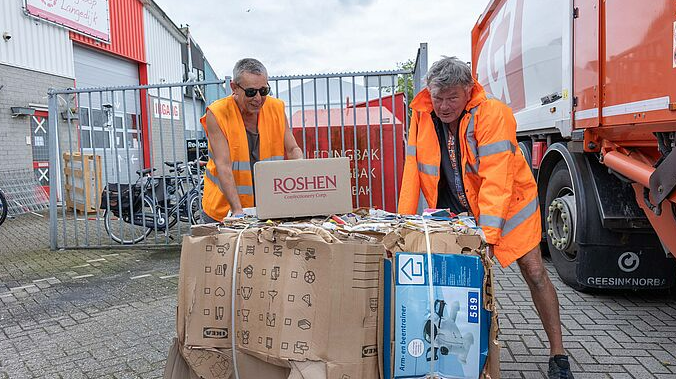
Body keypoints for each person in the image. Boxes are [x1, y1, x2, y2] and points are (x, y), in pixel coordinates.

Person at [398, 57, 574, 379]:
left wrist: (488, 236)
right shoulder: (422, 115)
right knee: (463, 283)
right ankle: (468, 356)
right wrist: (403, 225)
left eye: (452, 97)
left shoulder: (492, 113)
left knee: (535, 273)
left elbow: (497, 179)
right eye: (438, 98)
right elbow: (412, 170)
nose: (444, 106)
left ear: (469, 90)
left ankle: (558, 353)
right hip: (457, 213)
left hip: (510, 209)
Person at [200, 58, 303, 223]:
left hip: (268, 207)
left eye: (263, 91)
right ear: (234, 88)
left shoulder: (276, 108)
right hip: (224, 211)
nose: (258, 98)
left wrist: (302, 172)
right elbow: (223, 165)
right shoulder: (217, 113)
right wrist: (238, 211)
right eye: (250, 92)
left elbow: (292, 149)